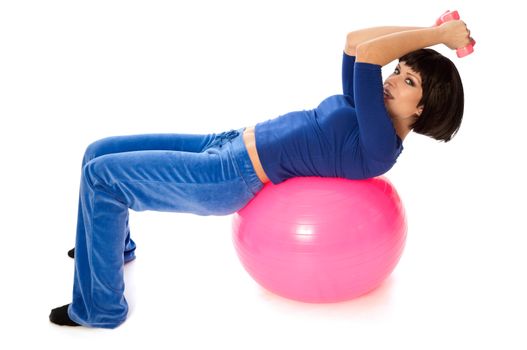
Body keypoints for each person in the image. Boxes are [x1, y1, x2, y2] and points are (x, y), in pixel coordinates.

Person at [49, 19, 472, 328]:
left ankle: (101, 308)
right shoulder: (370, 112)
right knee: (98, 152)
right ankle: (108, 249)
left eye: (408, 80)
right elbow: (355, 41)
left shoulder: (380, 145)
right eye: (398, 70)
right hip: (226, 140)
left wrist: (439, 38)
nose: (393, 79)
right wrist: (430, 29)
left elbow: (369, 56)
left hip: (227, 175)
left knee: (104, 178)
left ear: (422, 109)